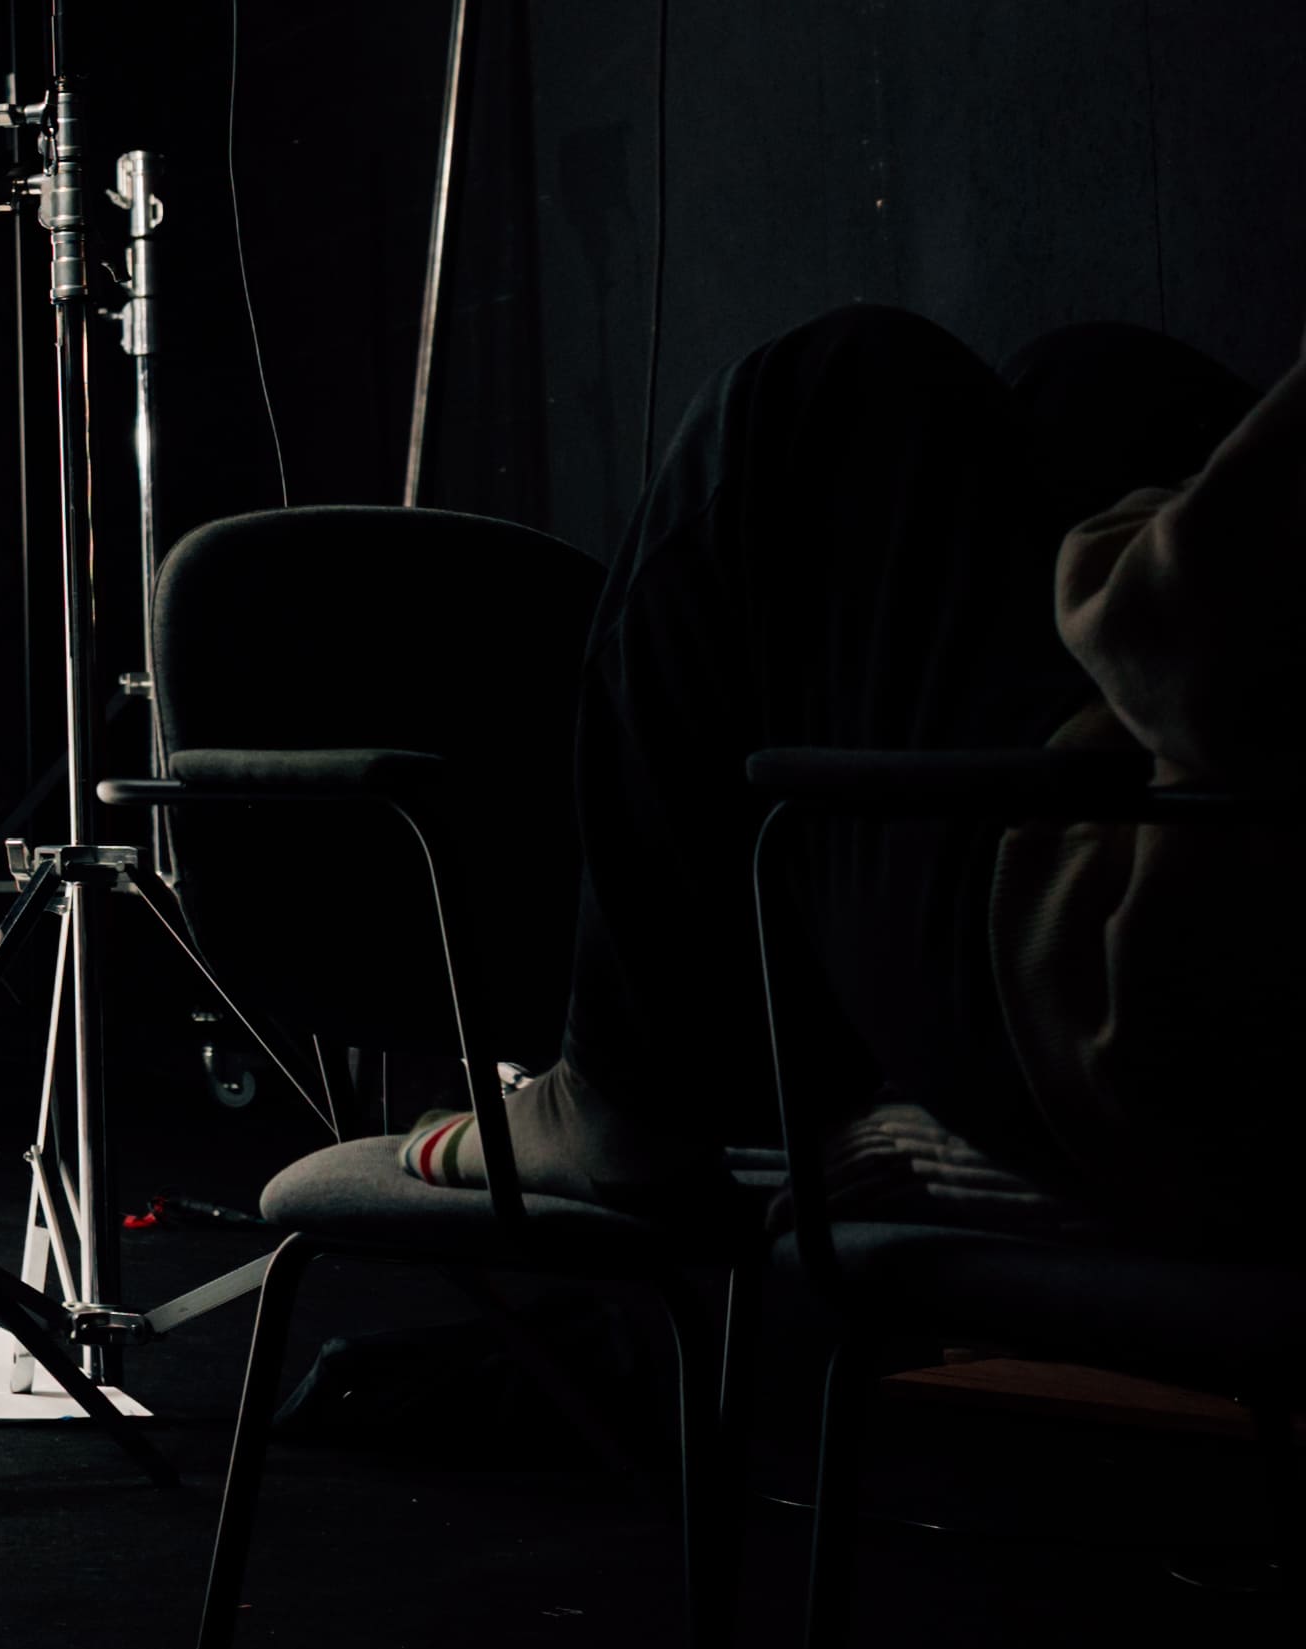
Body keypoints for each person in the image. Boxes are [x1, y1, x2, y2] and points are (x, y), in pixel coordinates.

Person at [404, 303, 1292, 1236]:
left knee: (813, 391)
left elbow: (1176, 630)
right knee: (1094, 384)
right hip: (1234, 940)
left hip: (1181, 1014)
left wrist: (1122, 548)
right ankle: (734, 1068)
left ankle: (620, 1095)